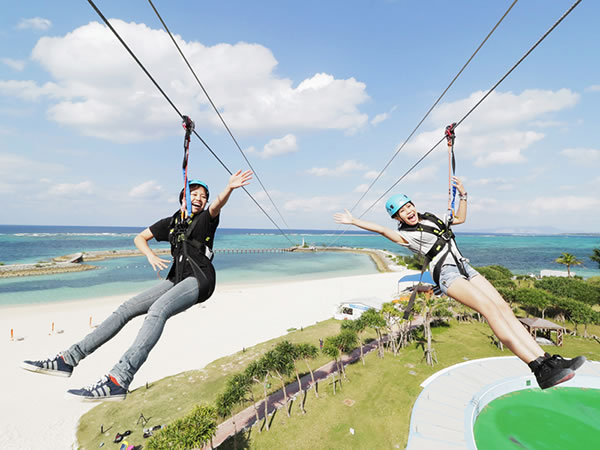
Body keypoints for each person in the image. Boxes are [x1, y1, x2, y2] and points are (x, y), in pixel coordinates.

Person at [334, 177, 585, 390]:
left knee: (504, 309)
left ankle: (550, 361)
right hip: (447, 274)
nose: (408, 211)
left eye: (409, 206)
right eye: (402, 211)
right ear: (397, 217)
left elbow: (460, 219)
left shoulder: (431, 218)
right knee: (490, 311)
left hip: (466, 267)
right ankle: (536, 367)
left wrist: (463, 195)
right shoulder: (406, 235)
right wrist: (354, 221)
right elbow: (380, 230)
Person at [21, 170, 253, 401]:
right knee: (126, 309)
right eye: (193, 193)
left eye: (203, 195)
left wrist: (229, 188)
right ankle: (68, 359)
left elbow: (217, 205)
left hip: (199, 280)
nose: (199, 198)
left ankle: (119, 379)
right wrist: (150, 255)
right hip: (175, 279)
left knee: (157, 311)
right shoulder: (171, 223)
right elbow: (139, 238)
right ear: (183, 197)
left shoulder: (205, 220)